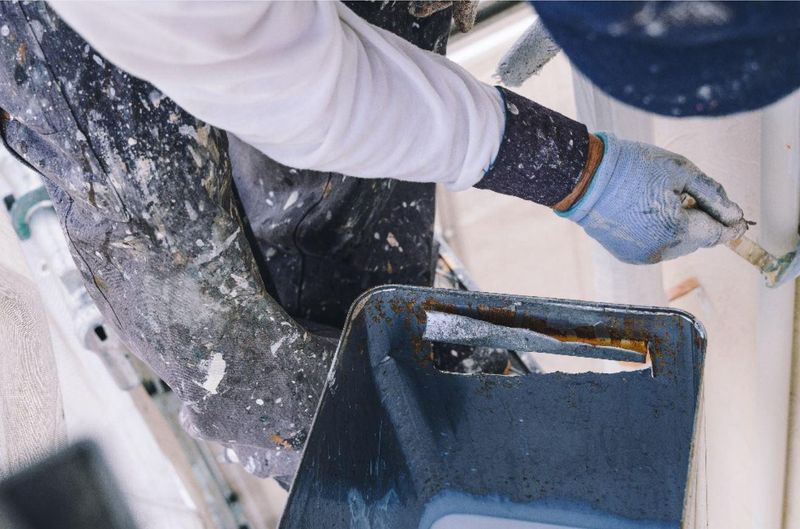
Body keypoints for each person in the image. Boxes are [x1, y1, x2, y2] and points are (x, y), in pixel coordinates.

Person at [0, 1, 750, 481]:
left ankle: (447, 418)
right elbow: (308, 94)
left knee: (366, 263)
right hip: (89, 48)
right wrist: (573, 172)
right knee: (246, 363)